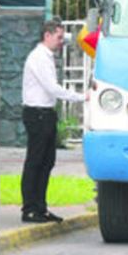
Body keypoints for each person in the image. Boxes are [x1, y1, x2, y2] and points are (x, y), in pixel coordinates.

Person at [20, 19, 86, 223]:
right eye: (58, 37)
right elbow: (52, 88)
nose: (61, 41)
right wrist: (81, 97)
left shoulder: (46, 57)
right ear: (46, 35)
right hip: (37, 114)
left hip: (45, 113)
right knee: (36, 161)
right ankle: (30, 209)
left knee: (46, 162)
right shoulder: (39, 57)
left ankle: (41, 207)